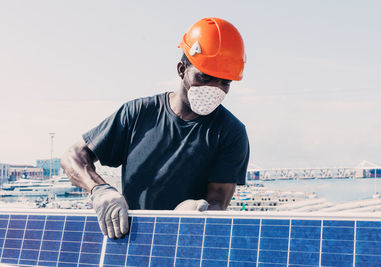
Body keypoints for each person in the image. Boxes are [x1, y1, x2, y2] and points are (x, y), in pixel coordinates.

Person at [61, 17, 250, 239]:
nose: (214, 89)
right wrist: (100, 190)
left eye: (224, 82)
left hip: (185, 243)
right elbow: (73, 156)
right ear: (182, 69)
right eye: (205, 77)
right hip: (130, 242)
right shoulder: (138, 113)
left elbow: (218, 200)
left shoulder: (230, 132)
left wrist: (199, 211)